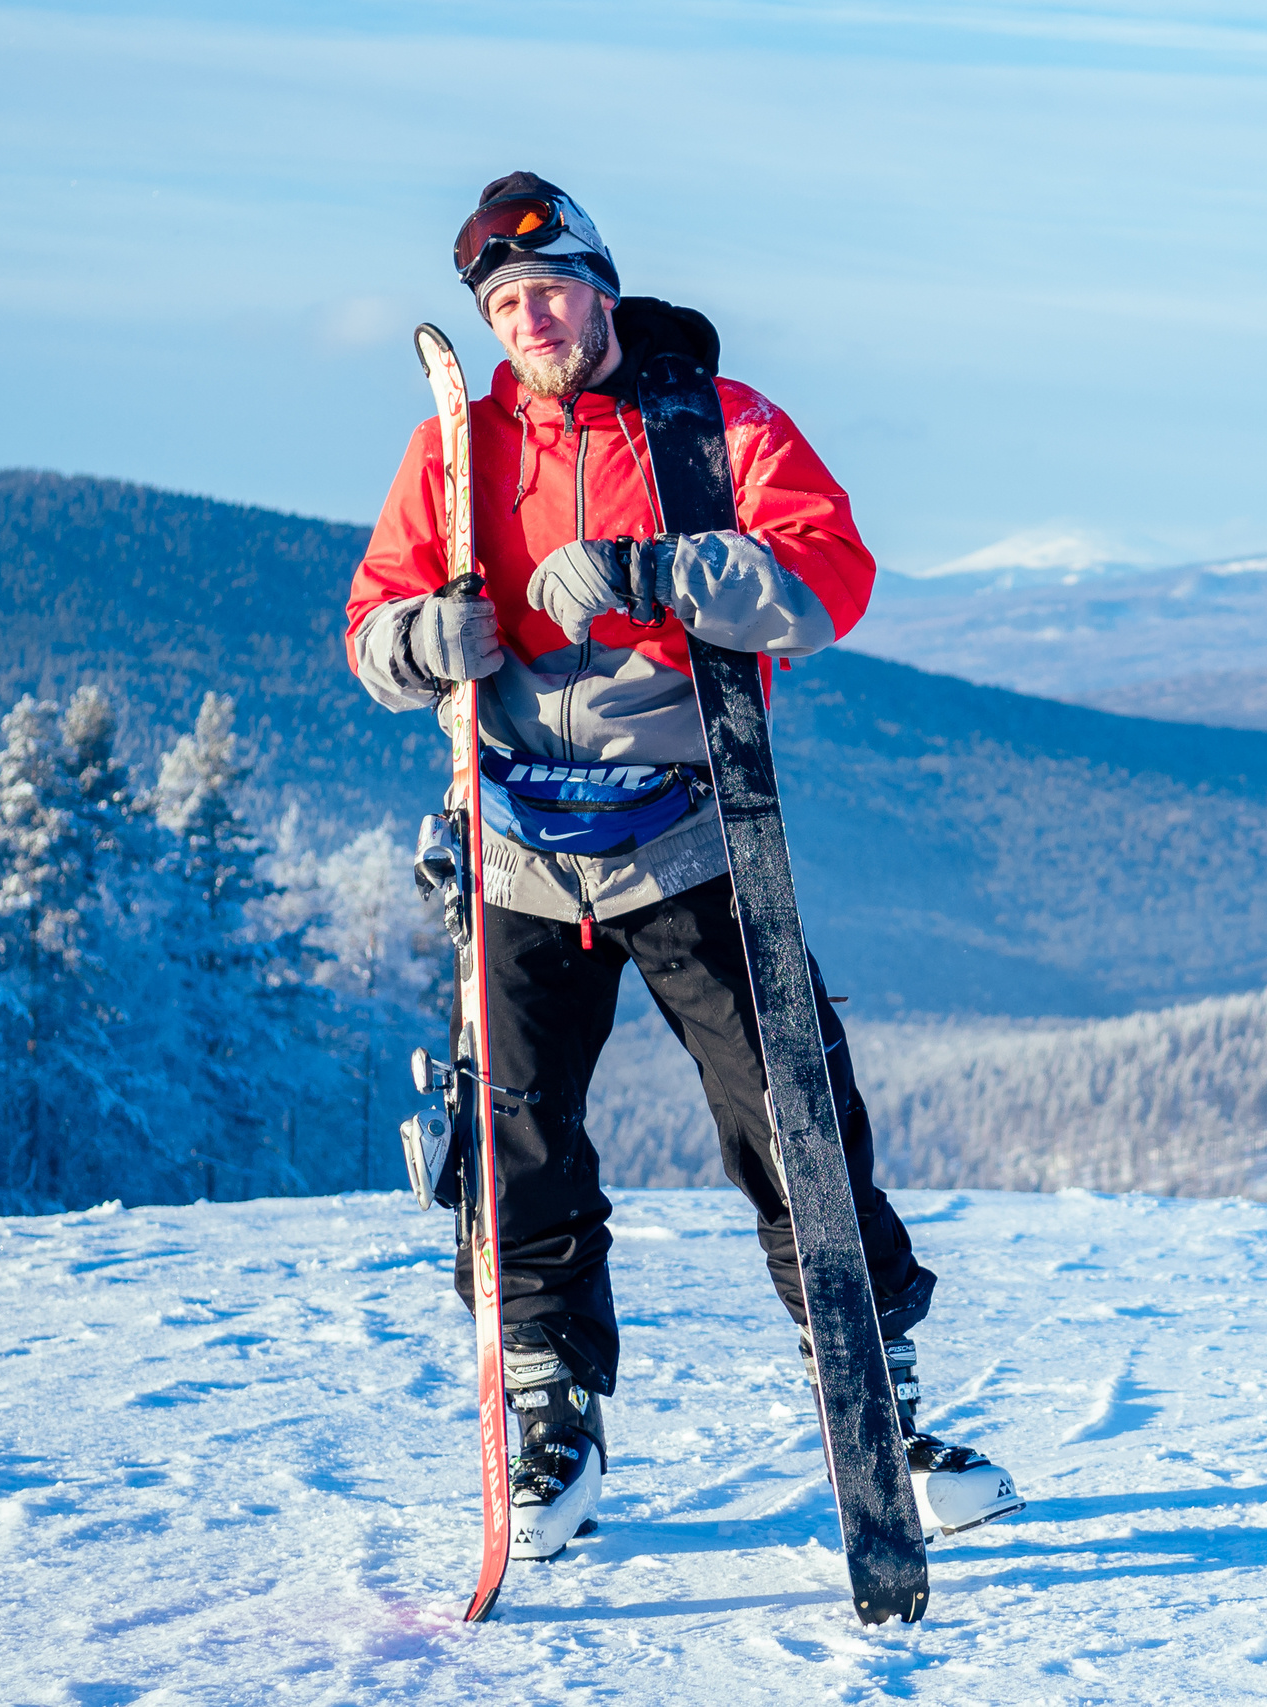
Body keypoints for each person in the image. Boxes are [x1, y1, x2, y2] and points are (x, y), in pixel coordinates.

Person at [346, 172, 1021, 1560]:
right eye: (504, 303)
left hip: (689, 829)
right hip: (521, 846)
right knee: (516, 1142)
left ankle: (873, 1402)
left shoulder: (715, 426)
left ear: (600, 285)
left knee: (792, 1118)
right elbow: (371, 625)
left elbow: (828, 575)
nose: (531, 318)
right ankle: (549, 1411)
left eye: (550, 289)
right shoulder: (456, 452)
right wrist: (428, 644)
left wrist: (654, 575)